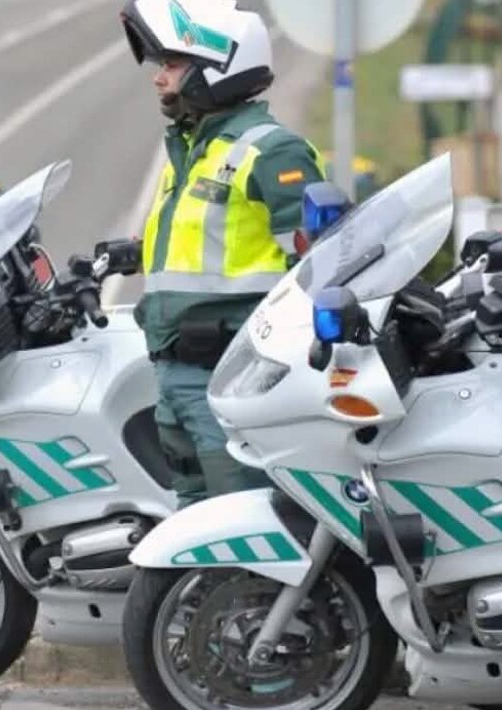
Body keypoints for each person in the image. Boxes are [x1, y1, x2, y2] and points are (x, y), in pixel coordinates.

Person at [120, 0, 326, 508]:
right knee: (193, 527)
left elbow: (321, 263)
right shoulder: (191, 152)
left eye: (170, 65)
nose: (158, 79)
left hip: (227, 376)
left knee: (240, 524)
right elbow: (199, 249)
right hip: (172, 375)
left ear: (215, 67)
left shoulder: (271, 152)